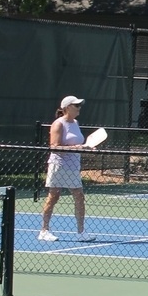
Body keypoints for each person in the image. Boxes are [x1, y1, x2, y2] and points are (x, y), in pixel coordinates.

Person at [39, 96, 95, 242]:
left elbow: (79, 144)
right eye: (76, 105)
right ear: (67, 107)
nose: (79, 107)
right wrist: (78, 147)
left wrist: (86, 147)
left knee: (79, 197)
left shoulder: (76, 123)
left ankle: (81, 232)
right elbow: (55, 147)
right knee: (53, 197)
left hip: (73, 167)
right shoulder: (58, 124)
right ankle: (44, 231)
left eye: (79, 105)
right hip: (58, 165)